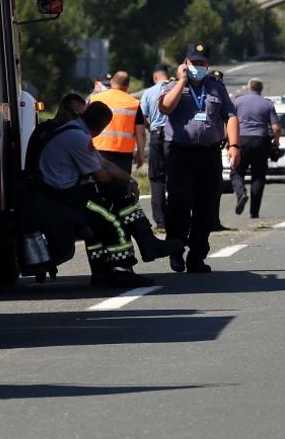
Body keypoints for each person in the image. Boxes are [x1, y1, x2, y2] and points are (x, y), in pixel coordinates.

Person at [32, 98, 154, 287]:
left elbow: (105, 164)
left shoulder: (76, 131)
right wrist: (123, 189)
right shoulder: (78, 137)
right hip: (63, 196)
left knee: (102, 218)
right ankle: (123, 269)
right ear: (102, 127)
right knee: (111, 220)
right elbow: (101, 176)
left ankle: (102, 271)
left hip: (63, 192)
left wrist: (130, 180)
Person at [157, 42, 239, 273]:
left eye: (203, 63)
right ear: (186, 63)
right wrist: (182, 81)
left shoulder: (216, 87)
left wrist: (234, 145)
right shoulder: (172, 86)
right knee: (179, 204)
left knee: (207, 207)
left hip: (209, 153)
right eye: (194, 63)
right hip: (179, 153)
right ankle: (175, 250)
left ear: (208, 64)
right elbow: (165, 108)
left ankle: (197, 256)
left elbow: (230, 115)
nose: (199, 67)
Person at [232, 78, 281, 219]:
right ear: (261, 89)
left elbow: (229, 121)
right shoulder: (268, 104)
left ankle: (241, 194)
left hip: (242, 140)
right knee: (258, 176)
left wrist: (230, 142)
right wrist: (276, 143)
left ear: (248, 88)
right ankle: (254, 212)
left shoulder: (238, 101)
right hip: (261, 141)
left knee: (236, 171)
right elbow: (276, 128)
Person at [137, 66, 170, 230]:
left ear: (154, 77)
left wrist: (150, 126)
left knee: (157, 179)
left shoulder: (149, 92)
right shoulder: (176, 87)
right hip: (174, 137)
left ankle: (160, 221)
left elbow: (142, 117)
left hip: (156, 135)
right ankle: (177, 217)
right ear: (167, 75)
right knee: (176, 178)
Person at [91, 70, 143, 176]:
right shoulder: (134, 104)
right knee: (120, 187)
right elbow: (140, 132)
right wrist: (140, 154)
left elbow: (86, 125)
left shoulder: (95, 99)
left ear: (112, 82)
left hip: (98, 151)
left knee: (98, 186)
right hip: (124, 155)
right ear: (127, 85)